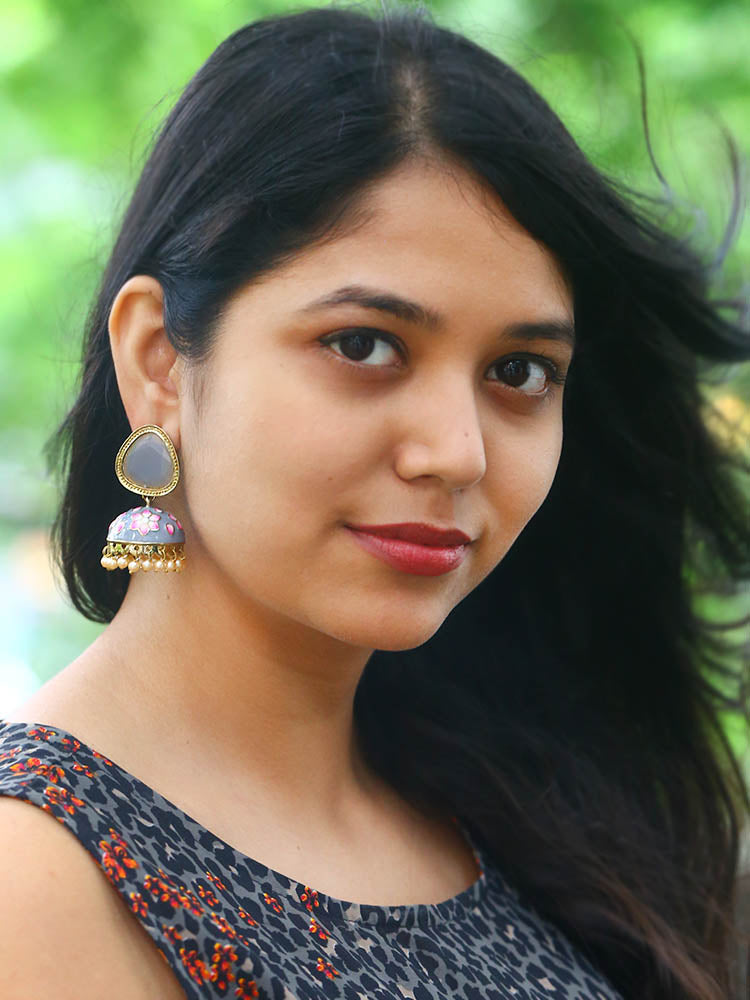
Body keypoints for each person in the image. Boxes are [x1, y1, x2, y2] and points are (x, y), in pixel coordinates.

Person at [1, 2, 748, 998]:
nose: (457, 453)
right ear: (159, 363)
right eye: (364, 345)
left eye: (520, 371)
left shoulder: (513, 808)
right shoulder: (37, 873)